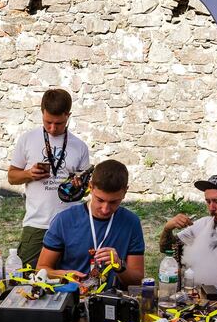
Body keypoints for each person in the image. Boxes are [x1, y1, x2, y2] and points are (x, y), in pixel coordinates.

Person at [8, 88, 90, 267]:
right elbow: (12, 177)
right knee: (28, 277)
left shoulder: (80, 146)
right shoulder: (27, 139)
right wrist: (28, 174)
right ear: (41, 112)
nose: (53, 128)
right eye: (48, 122)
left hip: (70, 224)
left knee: (70, 277)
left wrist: (79, 186)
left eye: (59, 123)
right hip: (37, 223)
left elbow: (86, 190)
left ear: (68, 115)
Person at [36, 159, 145, 288]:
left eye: (114, 202)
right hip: (72, 298)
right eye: (100, 200)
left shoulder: (131, 223)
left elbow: (138, 280)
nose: (105, 209)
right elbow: (41, 269)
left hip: (113, 301)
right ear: (90, 187)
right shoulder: (65, 220)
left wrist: (120, 265)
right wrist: (65, 275)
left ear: (125, 192)